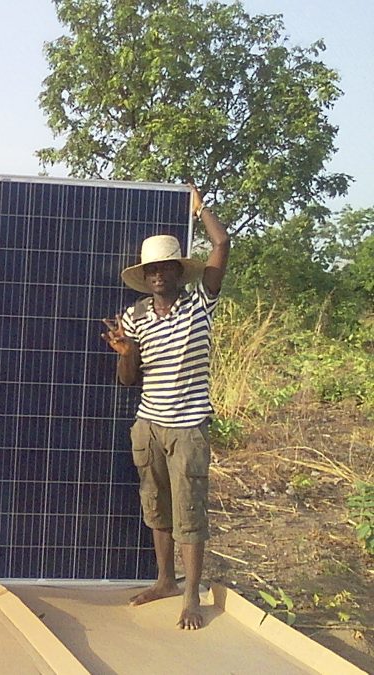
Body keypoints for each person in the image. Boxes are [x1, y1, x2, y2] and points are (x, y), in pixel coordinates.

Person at [101, 186, 229, 630]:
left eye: (166, 269)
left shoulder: (201, 304)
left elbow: (221, 244)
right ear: (146, 276)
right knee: (156, 505)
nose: (159, 275)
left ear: (179, 272)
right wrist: (123, 350)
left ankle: (191, 595)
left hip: (189, 428)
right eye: (152, 269)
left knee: (190, 510)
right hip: (149, 425)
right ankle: (164, 581)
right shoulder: (134, 316)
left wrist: (200, 208)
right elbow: (128, 380)